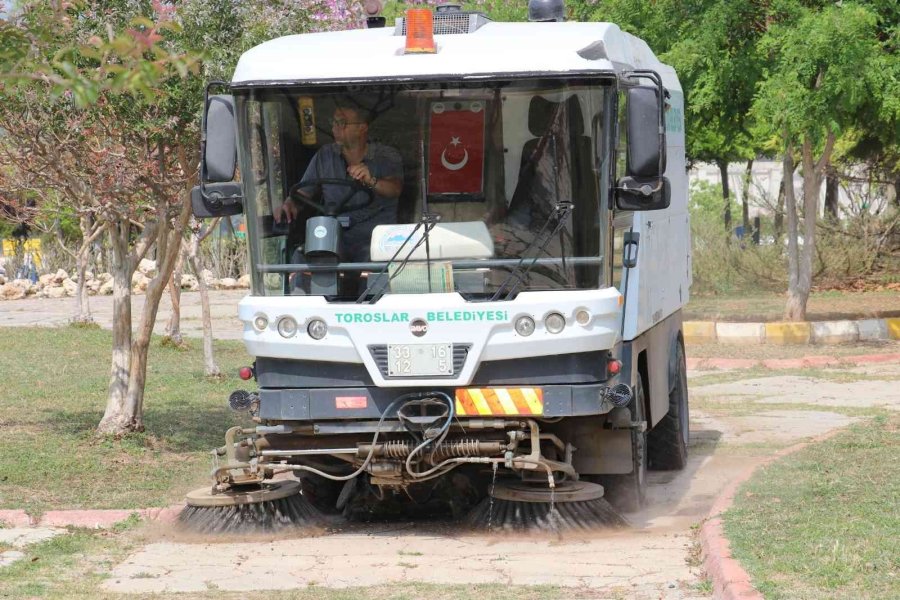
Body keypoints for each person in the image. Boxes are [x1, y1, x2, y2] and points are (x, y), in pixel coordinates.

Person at [275, 104, 403, 263]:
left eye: (341, 123)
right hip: (335, 236)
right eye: (333, 122)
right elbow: (302, 194)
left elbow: (395, 189)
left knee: (374, 263)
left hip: (376, 239)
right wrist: (289, 204)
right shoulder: (325, 155)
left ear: (362, 128)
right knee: (300, 259)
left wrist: (371, 181)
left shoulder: (386, 155)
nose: (335, 127)